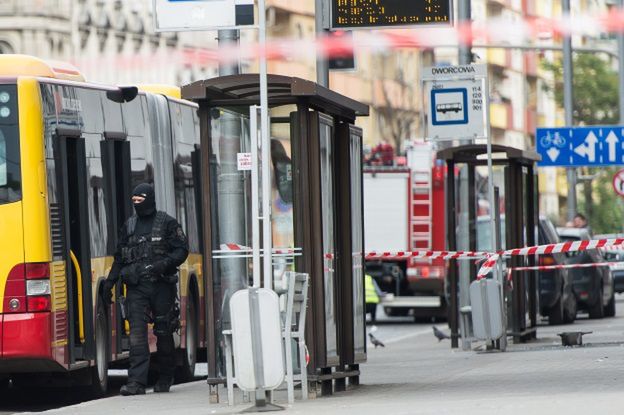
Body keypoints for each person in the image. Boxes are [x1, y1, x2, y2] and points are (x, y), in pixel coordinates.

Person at [102, 183, 189, 396]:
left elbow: (182, 250)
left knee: (163, 331)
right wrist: (110, 282)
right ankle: (136, 383)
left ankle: (165, 377)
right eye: (134, 201)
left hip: (161, 286)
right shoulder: (129, 226)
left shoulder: (167, 223)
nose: (137, 204)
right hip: (137, 288)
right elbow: (120, 258)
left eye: (141, 200)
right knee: (137, 336)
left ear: (149, 199)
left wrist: (163, 264)